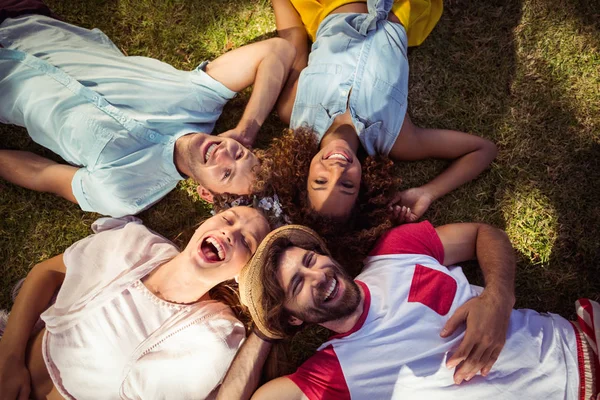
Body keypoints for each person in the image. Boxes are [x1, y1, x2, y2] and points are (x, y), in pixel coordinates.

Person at [218, 223, 598, 399]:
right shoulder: (331, 374)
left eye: (311, 259)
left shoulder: (395, 249)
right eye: (297, 285)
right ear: (294, 318)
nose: (318, 276)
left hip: (581, 342)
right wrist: (266, 327)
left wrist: (498, 299)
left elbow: (486, 235)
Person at [0, 0, 295, 217]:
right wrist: (247, 130)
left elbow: (42, 174)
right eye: (240, 154)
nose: (224, 155)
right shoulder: (199, 100)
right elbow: (278, 51)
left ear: (206, 193)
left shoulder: (125, 191)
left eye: (227, 175)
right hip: (23, 17)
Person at [0, 206, 272, 400]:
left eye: (246, 242)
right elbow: (46, 273)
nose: (230, 233)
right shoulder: (135, 243)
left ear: (242, 273)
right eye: (228, 219)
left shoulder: (214, 335)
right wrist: (9, 359)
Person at [268, 0, 497, 221]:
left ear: (303, 175)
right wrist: (428, 192)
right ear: (363, 186)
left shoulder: (294, 109)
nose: (336, 170)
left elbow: (293, 38)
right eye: (347, 185)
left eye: (320, 181)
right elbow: (482, 149)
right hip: (399, 7)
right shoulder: (396, 138)